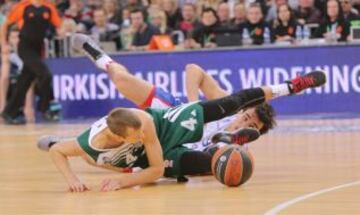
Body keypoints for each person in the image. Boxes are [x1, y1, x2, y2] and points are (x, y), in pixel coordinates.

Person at [37, 34, 326, 192]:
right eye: (249, 116)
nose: (246, 120)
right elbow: (194, 69)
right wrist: (189, 103)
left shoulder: (234, 144)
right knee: (123, 83)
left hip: (171, 147)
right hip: (173, 114)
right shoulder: (225, 109)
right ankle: (98, 55)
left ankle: (57, 143)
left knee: (204, 165)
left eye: (252, 125)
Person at [1, 0, 62, 124]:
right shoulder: (23, 6)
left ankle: (9, 112)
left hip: (38, 48)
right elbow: (5, 25)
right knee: (45, 75)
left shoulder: (49, 7)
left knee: (24, 81)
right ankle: (45, 108)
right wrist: (4, 44)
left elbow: (59, 26)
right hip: (25, 47)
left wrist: (63, 32)